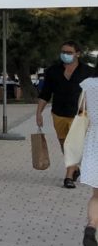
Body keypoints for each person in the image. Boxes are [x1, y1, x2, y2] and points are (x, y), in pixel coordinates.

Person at [36, 41, 97, 188]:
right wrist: (38, 113)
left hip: (80, 115)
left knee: (73, 144)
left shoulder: (88, 72)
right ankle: (74, 169)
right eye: (63, 51)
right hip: (59, 113)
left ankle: (68, 177)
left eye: (69, 52)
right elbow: (45, 94)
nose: (65, 55)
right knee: (64, 144)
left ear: (77, 54)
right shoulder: (52, 71)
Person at [76, 71, 98, 246]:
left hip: (94, 141)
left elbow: (81, 110)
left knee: (97, 194)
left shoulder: (89, 84)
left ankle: (91, 225)